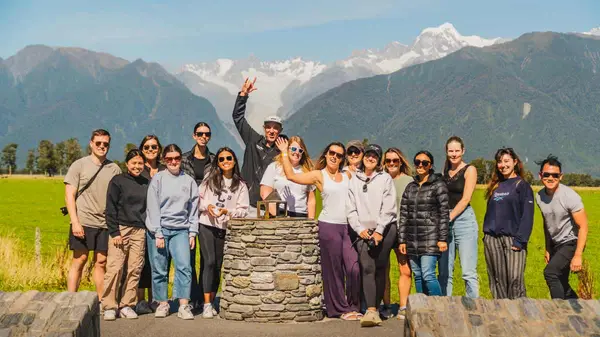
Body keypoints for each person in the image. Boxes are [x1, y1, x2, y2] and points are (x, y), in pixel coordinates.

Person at [276, 139, 361, 321]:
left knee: (353, 266)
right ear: (326, 154)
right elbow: (291, 176)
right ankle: (339, 309)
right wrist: (284, 153)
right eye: (332, 153)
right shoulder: (318, 175)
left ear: (342, 159)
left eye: (338, 155)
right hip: (328, 225)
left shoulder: (348, 175)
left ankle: (354, 305)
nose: (334, 157)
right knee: (334, 269)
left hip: (349, 226)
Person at [64, 129, 122, 297]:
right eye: (98, 143)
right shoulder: (79, 165)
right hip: (83, 221)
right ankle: (70, 299)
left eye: (105, 144)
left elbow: (118, 197)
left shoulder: (114, 169)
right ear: (91, 143)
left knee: (101, 262)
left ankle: (101, 302)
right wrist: (75, 222)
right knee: (79, 260)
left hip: (105, 224)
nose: (102, 146)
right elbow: (69, 195)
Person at [145, 144, 199, 320]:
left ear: (181, 160)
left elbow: (193, 208)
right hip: (159, 229)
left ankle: (183, 305)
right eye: (169, 159)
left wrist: (192, 232)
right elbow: (152, 207)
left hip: (181, 230)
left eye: (177, 158)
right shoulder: (158, 179)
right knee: (159, 268)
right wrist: (158, 233)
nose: (174, 161)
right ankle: (162, 303)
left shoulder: (188, 181)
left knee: (184, 266)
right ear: (164, 160)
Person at [347, 144, 397, 327]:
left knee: (380, 268)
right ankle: (371, 311)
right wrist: (359, 228)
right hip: (362, 230)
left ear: (379, 160)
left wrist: (379, 231)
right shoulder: (354, 180)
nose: (370, 158)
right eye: (368, 154)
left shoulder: (385, 179)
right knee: (367, 267)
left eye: (375, 156)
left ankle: (376, 306)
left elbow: (389, 208)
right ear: (363, 157)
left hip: (385, 229)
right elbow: (350, 208)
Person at [198, 147, 249, 318]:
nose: (225, 161)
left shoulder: (240, 185)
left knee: (218, 266)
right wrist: (208, 207)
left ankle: (212, 301)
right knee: (209, 262)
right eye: (221, 159)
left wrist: (228, 212)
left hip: (224, 227)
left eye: (229, 158)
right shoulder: (210, 179)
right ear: (217, 163)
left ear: (234, 161)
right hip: (206, 224)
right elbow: (197, 200)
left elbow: (244, 210)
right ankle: (206, 304)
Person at [102, 149, 150, 321]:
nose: (137, 166)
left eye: (140, 163)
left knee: (135, 269)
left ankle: (127, 304)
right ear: (127, 164)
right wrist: (114, 232)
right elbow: (110, 208)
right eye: (134, 163)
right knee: (115, 268)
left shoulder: (146, 182)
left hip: (139, 230)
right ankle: (109, 305)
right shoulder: (118, 181)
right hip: (121, 229)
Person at [483, 147, 534, 299]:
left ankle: (520, 315)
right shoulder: (495, 186)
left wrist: (520, 240)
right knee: (498, 280)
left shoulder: (522, 185)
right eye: (500, 162)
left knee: (514, 279)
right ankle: (501, 315)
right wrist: (486, 236)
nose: (503, 165)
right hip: (492, 239)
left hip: (513, 239)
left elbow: (527, 216)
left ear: (515, 162)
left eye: (506, 161)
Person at [535, 155, 588, 299]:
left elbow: (583, 226)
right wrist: (548, 247)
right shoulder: (539, 197)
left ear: (561, 176)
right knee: (562, 282)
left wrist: (578, 255)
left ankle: (558, 312)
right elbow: (547, 223)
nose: (550, 178)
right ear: (540, 175)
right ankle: (581, 308)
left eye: (555, 175)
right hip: (556, 244)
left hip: (571, 242)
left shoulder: (570, 197)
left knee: (551, 273)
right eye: (547, 174)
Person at [398, 151, 449, 297]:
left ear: (430, 165)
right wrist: (402, 240)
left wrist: (442, 238)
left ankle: (439, 307)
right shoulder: (410, 187)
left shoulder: (438, 185)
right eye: (418, 162)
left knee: (428, 274)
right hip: (412, 239)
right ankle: (422, 308)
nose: (420, 165)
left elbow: (444, 214)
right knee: (418, 275)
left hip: (431, 238)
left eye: (424, 163)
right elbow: (404, 215)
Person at [438, 136, 480, 298]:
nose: (454, 154)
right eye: (451, 151)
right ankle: (445, 307)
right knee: (444, 271)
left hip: (464, 220)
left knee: (468, 271)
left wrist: (448, 217)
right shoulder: (444, 171)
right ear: (446, 152)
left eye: (457, 151)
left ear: (463, 151)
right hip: (445, 220)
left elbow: (466, 199)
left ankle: (474, 309)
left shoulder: (470, 170)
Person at [232, 77, 281, 215]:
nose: (271, 131)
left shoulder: (283, 150)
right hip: (249, 202)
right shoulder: (253, 140)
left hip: (272, 205)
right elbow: (238, 118)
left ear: (280, 131)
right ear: (264, 128)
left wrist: (284, 153)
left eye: (275, 128)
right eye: (268, 127)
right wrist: (243, 94)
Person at [180, 122, 215, 309]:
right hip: (187, 212)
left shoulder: (214, 159)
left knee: (207, 258)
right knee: (189, 257)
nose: (203, 137)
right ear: (194, 136)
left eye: (207, 134)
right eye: (200, 134)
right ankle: (192, 297)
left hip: (207, 214)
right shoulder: (184, 159)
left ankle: (204, 295)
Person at [381, 147, 413, 319]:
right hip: (384, 231)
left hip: (403, 231)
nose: (392, 163)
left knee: (405, 270)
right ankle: (386, 306)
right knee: (384, 269)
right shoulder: (380, 179)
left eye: (395, 160)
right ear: (384, 163)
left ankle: (403, 306)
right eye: (388, 161)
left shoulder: (409, 181)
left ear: (401, 162)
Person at [136, 135, 165, 314]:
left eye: (154, 146)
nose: (150, 150)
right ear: (142, 149)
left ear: (159, 148)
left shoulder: (164, 169)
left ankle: (157, 298)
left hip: (162, 222)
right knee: (142, 262)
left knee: (159, 262)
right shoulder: (139, 168)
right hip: (141, 221)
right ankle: (140, 300)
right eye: (147, 147)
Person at [260, 136, 316, 218]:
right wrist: (277, 214)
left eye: (300, 150)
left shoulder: (307, 171)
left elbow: (311, 200)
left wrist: (311, 221)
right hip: (278, 212)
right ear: (287, 149)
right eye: (293, 149)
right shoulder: (275, 167)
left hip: (301, 214)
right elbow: (265, 193)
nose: (296, 152)